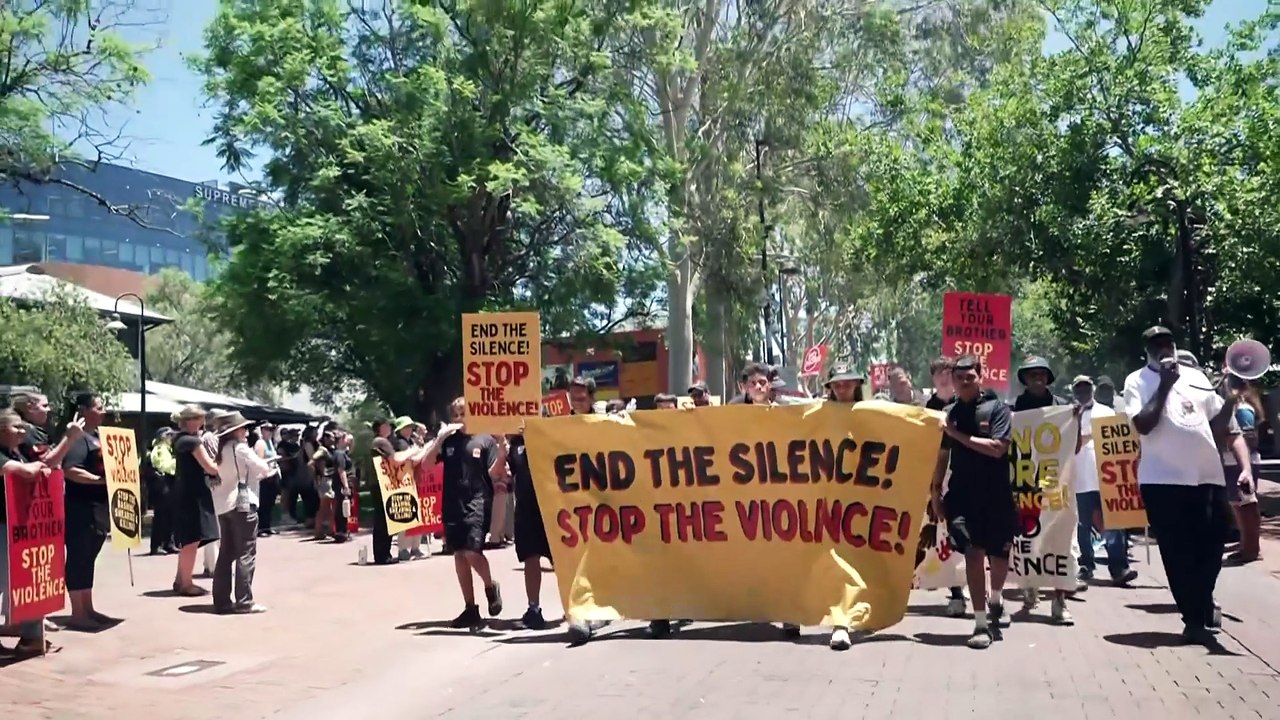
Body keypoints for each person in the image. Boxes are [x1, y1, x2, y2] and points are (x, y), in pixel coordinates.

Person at [1122, 326, 1244, 646]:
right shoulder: (1136, 381)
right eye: (1156, 344)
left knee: (1216, 540)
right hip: (1163, 480)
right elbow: (1143, 425)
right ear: (1147, 350)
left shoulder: (1197, 378)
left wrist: (1231, 400)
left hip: (1207, 476)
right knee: (1178, 552)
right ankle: (1193, 619)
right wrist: (1164, 385)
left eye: (1168, 342)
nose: (1164, 348)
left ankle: (1202, 598)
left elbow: (1217, 427)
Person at [930, 355, 1018, 649]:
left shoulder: (998, 410)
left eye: (971, 377)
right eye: (960, 378)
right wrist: (935, 492)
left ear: (981, 376)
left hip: (996, 496)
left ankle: (996, 598)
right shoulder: (949, 412)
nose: (965, 382)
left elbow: (997, 448)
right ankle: (980, 623)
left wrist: (957, 434)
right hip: (962, 496)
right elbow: (942, 455)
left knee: (999, 554)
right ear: (953, 381)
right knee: (973, 552)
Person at [1010, 356, 1079, 625]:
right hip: (1024, 486)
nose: (1037, 378)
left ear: (1048, 378)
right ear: (1024, 379)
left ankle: (1059, 601)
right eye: (1032, 374)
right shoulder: (1013, 409)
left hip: (1056, 487)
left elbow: (1073, 448)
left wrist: (1075, 422)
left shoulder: (1062, 407)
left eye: (1042, 374)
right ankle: (1030, 584)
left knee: (1061, 540)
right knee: (1027, 540)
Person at [424, 398, 503, 629]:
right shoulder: (449, 441)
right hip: (452, 502)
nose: (459, 419)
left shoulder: (485, 439)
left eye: (463, 414)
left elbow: (493, 471)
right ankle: (470, 608)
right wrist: (439, 439)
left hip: (477, 501)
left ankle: (490, 586)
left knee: (472, 551)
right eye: (455, 415)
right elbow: (428, 464)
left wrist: (502, 452)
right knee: (459, 554)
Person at [1070, 376, 1137, 587]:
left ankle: (1119, 567)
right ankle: (1085, 565)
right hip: (1079, 479)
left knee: (1114, 524)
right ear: (1073, 391)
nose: (1083, 392)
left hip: (1106, 479)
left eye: (1086, 388)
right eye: (1078, 389)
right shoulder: (1067, 416)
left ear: (1093, 389)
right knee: (1082, 526)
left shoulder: (1107, 413)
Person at [0, 410, 58, 655]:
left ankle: (32, 637)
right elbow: (25, 472)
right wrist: (38, 468)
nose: (23, 432)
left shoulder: (18, 453)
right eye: (17, 427)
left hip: (20, 528)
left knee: (31, 579)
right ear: (1, 430)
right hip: (3, 527)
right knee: (9, 582)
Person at [59, 393, 118, 630]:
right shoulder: (77, 439)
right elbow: (70, 469)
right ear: (84, 410)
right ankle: (77, 613)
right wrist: (100, 481)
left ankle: (88, 608)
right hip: (80, 508)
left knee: (89, 557)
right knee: (78, 557)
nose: (103, 411)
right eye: (99, 407)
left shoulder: (97, 437)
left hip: (98, 508)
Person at [212, 413, 272, 613]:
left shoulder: (219, 451)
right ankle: (244, 600)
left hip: (224, 505)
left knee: (226, 553)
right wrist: (269, 468)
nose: (246, 432)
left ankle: (221, 601)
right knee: (246, 552)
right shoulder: (241, 449)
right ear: (234, 431)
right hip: (243, 502)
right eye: (243, 428)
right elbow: (262, 468)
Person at [923, 356, 968, 620]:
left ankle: (975, 589)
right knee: (944, 536)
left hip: (963, 476)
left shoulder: (963, 403)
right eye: (937, 373)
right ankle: (956, 593)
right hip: (936, 478)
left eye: (947, 372)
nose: (942, 377)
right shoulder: (927, 408)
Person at [171, 405, 222, 596]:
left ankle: (180, 579)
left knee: (188, 540)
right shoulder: (192, 441)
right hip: (194, 494)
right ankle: (186, 583)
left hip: (185, 491)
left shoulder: (179, 439)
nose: (202, 423)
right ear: (189, 420)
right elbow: (210, 467)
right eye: (199, 419)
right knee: (192, 540)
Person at [508, 419, 553, 630]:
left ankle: (577, 607)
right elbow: (500, 472)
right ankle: (533, 608)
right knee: (530, 558)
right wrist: (501, 445)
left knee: (562, 561)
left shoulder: (552, 438)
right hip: (526, 509)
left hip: (553, 509)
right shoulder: (515, 445)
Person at [1224, 380, 1264, 564]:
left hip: (1240, 463)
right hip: (1234, 462)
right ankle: (1246, 544)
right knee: (1239, 505)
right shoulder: (1238, 407)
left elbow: (1249, 436)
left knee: (1246, 505)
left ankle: (1251, 549)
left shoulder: (1243, 408)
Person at [368, 418, 401, 565]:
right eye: (387, 425)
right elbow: (394, 459)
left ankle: (382, 553)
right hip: (381, 483)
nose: (390, 428)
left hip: (377, 483)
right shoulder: (381, 442)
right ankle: (382, 555)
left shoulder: (376, 441)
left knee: (382, 519)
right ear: (380, 428)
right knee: (384, 520)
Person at [147, 428, 179, 555]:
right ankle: (156, 545)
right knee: (161, 516)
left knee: (171, 515)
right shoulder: (160, 449)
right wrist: (178, 463)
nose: (172, 438)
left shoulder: (168, 449)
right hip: (162, 484)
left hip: (170, 484)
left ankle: (168, 543)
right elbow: (164, 467)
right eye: (169, 435)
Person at [253, 422, 281, 538]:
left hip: (272, 474)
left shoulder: (270, 442)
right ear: (262, 430)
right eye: (267, 429)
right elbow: (259, 461)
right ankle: (261, 528)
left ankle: (267, 526)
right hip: (264, 476)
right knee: (263, 503)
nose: (269, 431)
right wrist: (273, 459)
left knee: (270, 503)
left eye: (271, 429)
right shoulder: (260, 443)